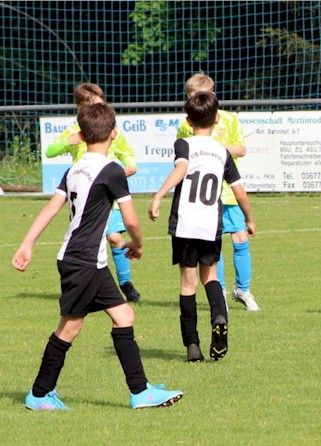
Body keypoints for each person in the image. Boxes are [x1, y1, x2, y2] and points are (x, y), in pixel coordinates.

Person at [12, 104, 183, 410]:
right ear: (114, 134)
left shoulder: (74, 169)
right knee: (70, 327)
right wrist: (138, 244)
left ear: (79, 135)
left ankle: (140, 391)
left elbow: (52, 207)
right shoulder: (112, 170)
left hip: (88, 259)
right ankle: (39, 394)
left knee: (124, 316)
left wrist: (28, 243)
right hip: (83, 260)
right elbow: (130, 220)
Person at [149, 92, 256, 362]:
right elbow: (239, 191)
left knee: (188, 284)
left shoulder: (183, 144)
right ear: (217, 118)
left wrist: (159, 194)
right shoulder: (222, 152)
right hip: (210, 223)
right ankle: (219, 315)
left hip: (185, 223)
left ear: (188, 120)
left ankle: (192, 346)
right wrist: (249, 218)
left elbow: (181, 169)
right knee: (211, 277)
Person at [46, 83, 142, 303]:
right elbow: (50, 151)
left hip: (108, 196)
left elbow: (128, 157)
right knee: (89, 244)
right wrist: (65, 143)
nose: (102, 108)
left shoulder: (111, 131)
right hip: (85, 200)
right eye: (96, 105)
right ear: (81, 108)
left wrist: (130, 167)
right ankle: (92, 285)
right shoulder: (74, 133)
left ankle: (126, 283)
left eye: (103, 103)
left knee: (115, 237)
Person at [176, 73, 260, 311]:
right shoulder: (185, 124)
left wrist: (216, 147)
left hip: (228, 192)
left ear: (212, 96)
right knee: (214, 245)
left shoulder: (230, 120)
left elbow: (241, 149)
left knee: (241, 239)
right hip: (204, 197)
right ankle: (219, 291)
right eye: (190, 99)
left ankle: (243, 291)